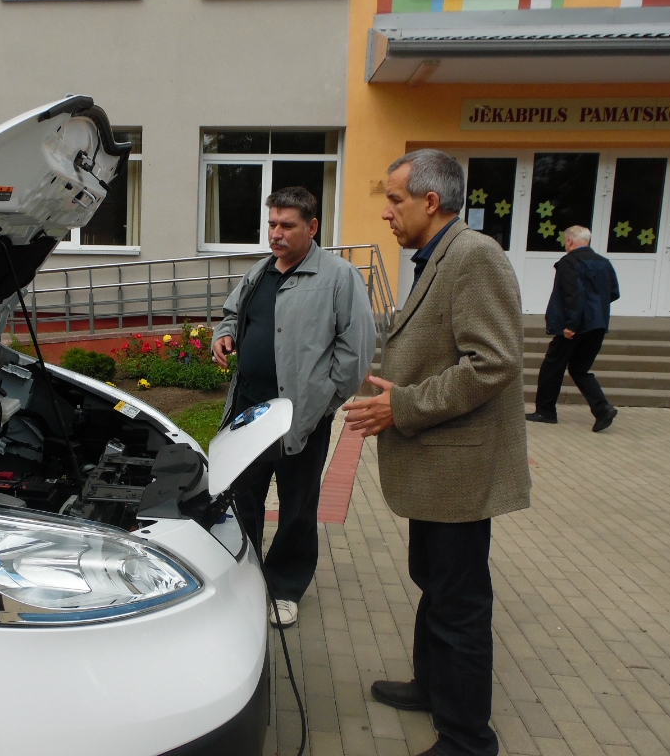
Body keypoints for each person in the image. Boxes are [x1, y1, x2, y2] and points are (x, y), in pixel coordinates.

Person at [342, 150, 530, 756]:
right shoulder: (437, 256)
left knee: (460, 604)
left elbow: (493, 362)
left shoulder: (475, 256)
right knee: (436, 585)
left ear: (430, 201)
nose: (386, 213)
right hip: (437, 467)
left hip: (460, 469)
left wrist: (405, 406)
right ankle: (432, 686)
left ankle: (468, 738)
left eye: (394, 200)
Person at [212, 186, 376, 628]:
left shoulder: (339, 277)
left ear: (312, 227)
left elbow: (356, 351)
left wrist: (322, 402)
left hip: (300, 418)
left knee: (297, 507)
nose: (277, 234)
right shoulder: (260, 272)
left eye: (287, 225)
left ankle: (284, 588)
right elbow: (230, 314)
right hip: (248, 411)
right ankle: (244, 578)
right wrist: (223, 335)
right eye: (272, 224)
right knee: (241, 498)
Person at [526, 225, 620, 432]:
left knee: (552, 365)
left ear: (569, 241)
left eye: (565, 241)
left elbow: (572, 294)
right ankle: (602, 408)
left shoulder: (568, 262)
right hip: (598, 324)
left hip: (575, 326)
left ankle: (545, 411)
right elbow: (613, 293)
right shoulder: (604, 263)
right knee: (579, 369)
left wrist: (571, 324)